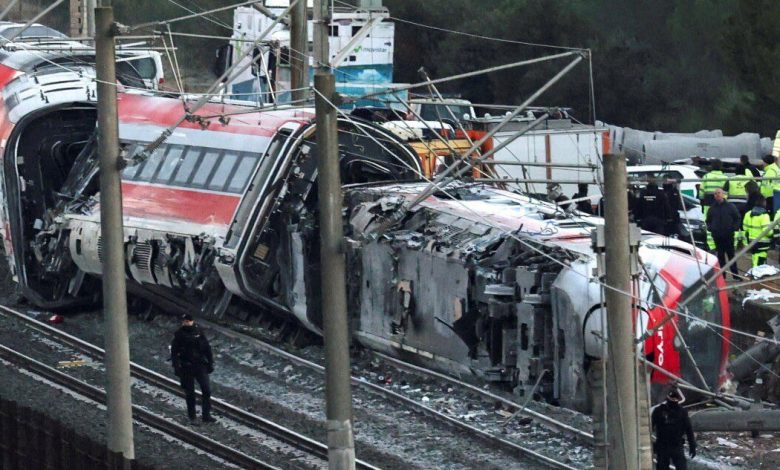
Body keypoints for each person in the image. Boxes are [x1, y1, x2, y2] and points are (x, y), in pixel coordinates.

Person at [171, 314, 216, 424]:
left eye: (188, 321)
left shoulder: (199, 333)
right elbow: (174, 353)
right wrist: (177, 368)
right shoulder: (179, 335)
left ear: (192, 321)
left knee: (206, 390)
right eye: (185, 321)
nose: (187, 323)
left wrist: (210, 363)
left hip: (200, 365)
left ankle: (206, 415)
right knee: (190, 393)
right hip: (186, 367)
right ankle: (193, 417)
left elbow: (207, 348)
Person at [652, 386, 696, 470]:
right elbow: (689, 430)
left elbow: (688, 429)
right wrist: (692, 445)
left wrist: (692, 445)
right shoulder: (660, 411)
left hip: (671, 445)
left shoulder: (659, 411)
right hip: (667, 445)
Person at [706, 188, 740, 277]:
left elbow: (737, 218)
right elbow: (708, 221)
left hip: (728, 235)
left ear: (723, 194)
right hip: (717, 236)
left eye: (719, 193)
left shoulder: (730, 206)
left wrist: (734, 228)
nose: (717, 195)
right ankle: (722, 276)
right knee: (720, 257)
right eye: (715, 193)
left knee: (731, 255)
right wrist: (711, 228)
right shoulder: (712, 208)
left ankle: (735, 275)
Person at [700, 159, 728, 251]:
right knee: (721, 223)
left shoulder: (706, 176)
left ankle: (711, 245)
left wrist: (701, 201)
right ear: (721, 166)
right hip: (721, 204)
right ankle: (721, 244)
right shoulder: (725, 178)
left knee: (709, 223)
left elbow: (701, 192)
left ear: (711, 166)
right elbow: (726, 193)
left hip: (708, 203)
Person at [744, 196, 772, 267]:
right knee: (760, 260)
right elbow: (767, 231)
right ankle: (757, 275)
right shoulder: (764, 215)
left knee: (754, 257)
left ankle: (755, 272)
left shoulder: (748, 214)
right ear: (764, 203)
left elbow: (745, 228)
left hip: (751, 241)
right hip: (762, 243)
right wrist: (773, 233)